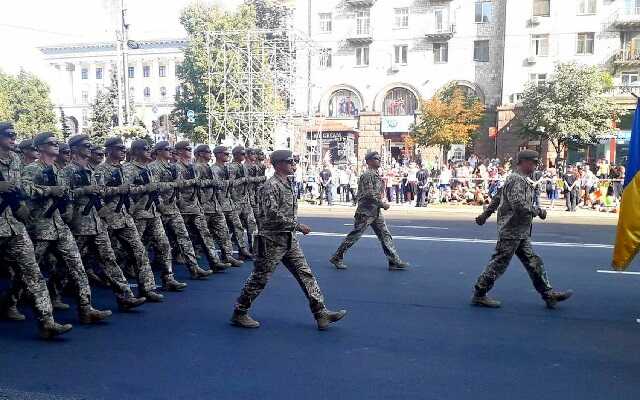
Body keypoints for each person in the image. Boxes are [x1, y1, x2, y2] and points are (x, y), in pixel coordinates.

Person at [231, 150, 346, 330]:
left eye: (294, 161)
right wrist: (297, 225)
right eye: (290, 161)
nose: (294, 164)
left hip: (288, 239)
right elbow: (271, 215)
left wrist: (293, 228)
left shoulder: (286, 183)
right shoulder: (270, 186)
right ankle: (240, 312)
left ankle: (321, 314)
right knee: (259, 278)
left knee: (305, 274)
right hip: (271, 240)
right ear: (278, 164)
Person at [22, 132, 112, 324]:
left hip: (59, 225)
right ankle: (11, 302)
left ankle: (86, 309)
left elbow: (67, 194)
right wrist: (49, 190)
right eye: (51, 143)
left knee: (77, 266)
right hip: (40, 226)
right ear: (39, 147)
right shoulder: (32, 169)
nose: (56, 145)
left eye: (57, 143)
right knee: (29, 272)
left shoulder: (57, 171)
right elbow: (24, 190)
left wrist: (68, 207)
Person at [471, 150, 573, 309]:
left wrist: (485, 215)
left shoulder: (515, 179)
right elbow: (518, 205)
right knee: (499, 263)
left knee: (534, 262)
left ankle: (548, 294)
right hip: (512, 231)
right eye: (533, 162)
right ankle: (479, 294)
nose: (535, 165)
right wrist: (537, 211)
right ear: (524, 162)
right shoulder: (517, 181)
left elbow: (498, 197)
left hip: (520, 232)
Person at [0, 123, 72, 339]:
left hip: (13, 224)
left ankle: (47, 322)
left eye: (15, 135)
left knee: (32, 271)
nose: (14, 138)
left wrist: (21, 204)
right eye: (8, 135)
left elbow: (22, 186)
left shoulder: (14, 160)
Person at [60, 134, 147, 310]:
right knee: (69, 265)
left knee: (109, 259)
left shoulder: (92, 171)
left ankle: (124, 297)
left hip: (96, 222)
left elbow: (99, 192)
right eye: (86, 145)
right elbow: (63, 195)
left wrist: (102, 205)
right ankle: (57, 294)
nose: (90, 148)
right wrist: (85, 190)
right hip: (79, 223)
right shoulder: (67, 171)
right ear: (75, 149)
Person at [94, 137, 164, 302]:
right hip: (107, 218)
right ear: (109, 150)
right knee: (106, 256)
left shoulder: (125, 169)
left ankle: (146, 289)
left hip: (125, 216)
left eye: (124, 148)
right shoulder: (100, 170)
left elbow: (132, 188)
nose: (123, 151)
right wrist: (117, 190)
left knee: (139, 251)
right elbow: (97, 193)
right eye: (119, 149)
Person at [122, 139, 188, 292]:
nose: (148, 150)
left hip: (153, 212)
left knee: (164, 245)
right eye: (145, 148)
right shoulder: (128, 169)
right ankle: (131, 273)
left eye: (149, 148)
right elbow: (125, 190)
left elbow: (155, 190)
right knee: (136, 248)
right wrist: (145, 188)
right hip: (138, 213)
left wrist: (159, 203)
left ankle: (168, 278)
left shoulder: (149, 169)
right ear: (136, 151)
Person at [329, 151, 410, 271]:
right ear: (369, 162)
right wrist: (382, 204)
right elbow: (369, 193)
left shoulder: (375, 174)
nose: (379, 160)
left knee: (385, 235)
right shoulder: (368, 175)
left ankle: (393, 261)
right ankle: (337, 257)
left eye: (379, 158)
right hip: (365, 211)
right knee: (355, 235)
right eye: (376, 159)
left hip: (374, 211)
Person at [173, 140, 230, 273]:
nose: (189, 151)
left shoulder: (192, 166)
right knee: (181, 237)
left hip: (196, 206)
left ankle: (214, 262)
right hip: (183, 206)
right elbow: (178, 186)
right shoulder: (178, 167)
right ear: (180, 151)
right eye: (187, 149)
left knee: (204, 234)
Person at [193, 144, 243, 267]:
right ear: (200, 153)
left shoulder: (208, 167)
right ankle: (212, 260)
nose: (210, 154)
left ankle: (227, 256)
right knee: (203, 235)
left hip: (215, 205)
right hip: (203, 205)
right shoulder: (197, 167)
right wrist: (214, 183)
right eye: (207, 152)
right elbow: (196, 183)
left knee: (224, 231)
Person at [211, 145, 254, 260]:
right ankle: (225, 254)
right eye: (225, 154)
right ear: (218, 154)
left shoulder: (238, 167)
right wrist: (241, 181)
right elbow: (222, 184)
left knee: (239, 226)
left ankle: (243, 250)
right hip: (224, 202)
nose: (227, 156)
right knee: (223, 230)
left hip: (235, 201)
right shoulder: (219, 168)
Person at [228, 146, 263, 256]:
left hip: (245, 199)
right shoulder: (232, 167)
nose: (244, 156)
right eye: (242, 154)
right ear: (236, 155)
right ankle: (238, 251)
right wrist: (243, 180)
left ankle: (253, 249)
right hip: (235, 200)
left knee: (252, 225)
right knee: (235, 227)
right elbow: (230, 183)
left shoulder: (243, 167)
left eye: (244, 154)